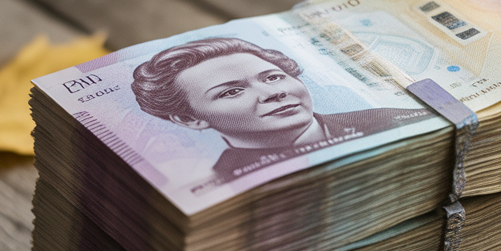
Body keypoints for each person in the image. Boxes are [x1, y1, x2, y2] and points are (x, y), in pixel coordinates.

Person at [132, 37, 428, 183]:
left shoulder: (390, 120)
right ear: (189, 119)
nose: (274, 92)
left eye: (272, 77)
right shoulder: (218, 182)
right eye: (232, 91)